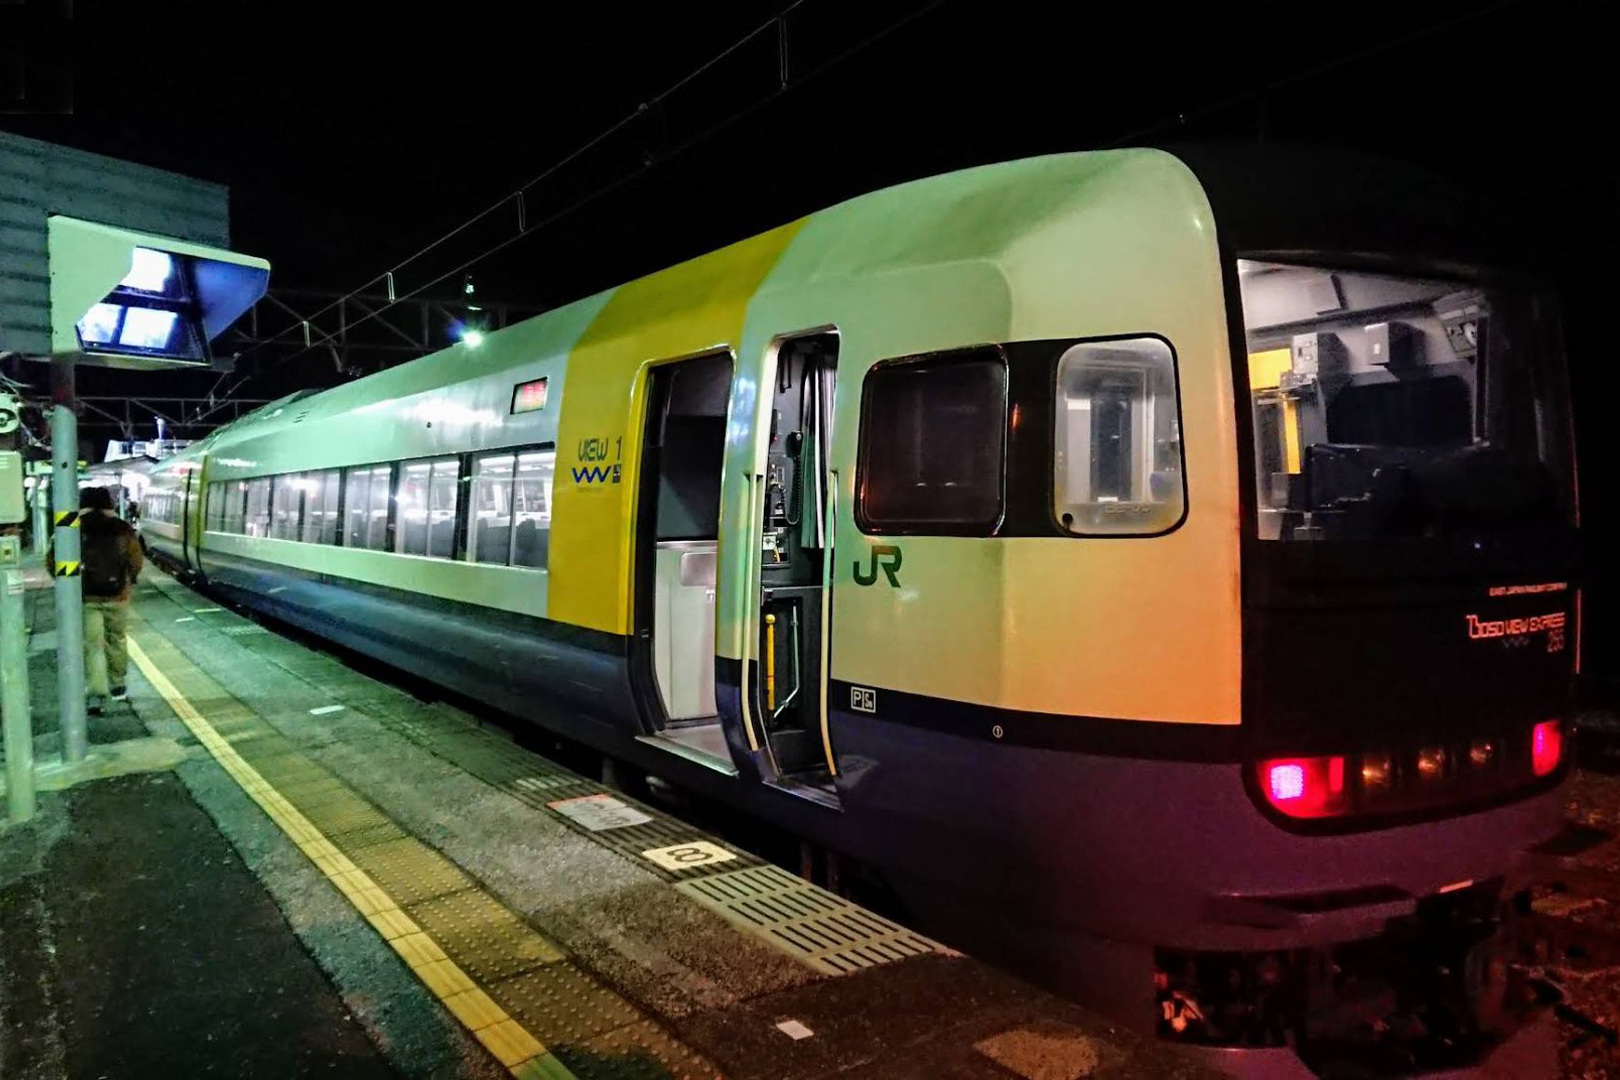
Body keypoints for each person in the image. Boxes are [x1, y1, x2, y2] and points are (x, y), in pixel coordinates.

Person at [77, 486, 143, 713]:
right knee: (117, 639)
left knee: (93, 644)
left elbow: (53, 558)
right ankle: (118, 686)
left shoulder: (72, 526)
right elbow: (136, 560)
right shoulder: (122, 528)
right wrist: (129, 580)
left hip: (87, 596)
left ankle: (97, 692)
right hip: (118, 596)